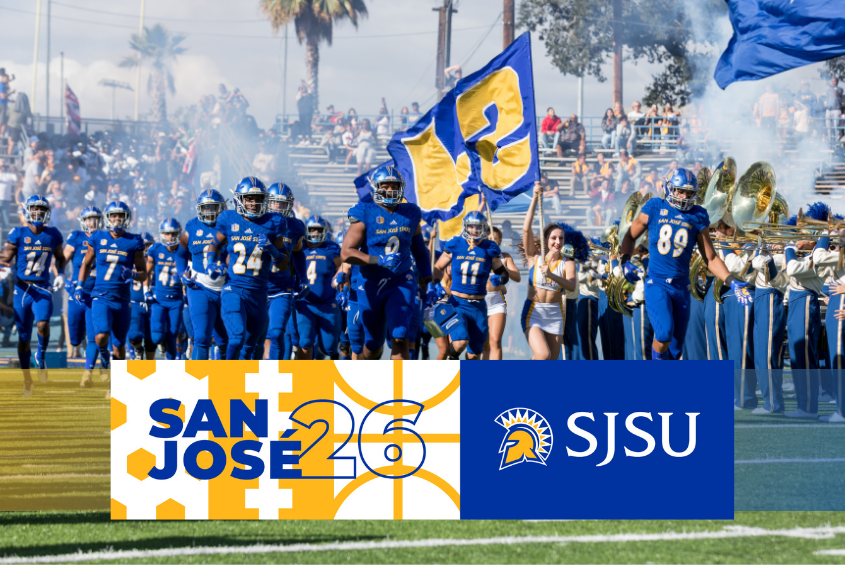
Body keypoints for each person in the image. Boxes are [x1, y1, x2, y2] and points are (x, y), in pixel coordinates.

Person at [618, 168, 751, 360]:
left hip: (681, 287)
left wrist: (733, 281)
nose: (684, 196)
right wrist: (625, 260)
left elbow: (711, 258)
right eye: (680, 191)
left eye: (689, 193)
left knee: (675, 350)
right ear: (669, 188)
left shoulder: (698, 215)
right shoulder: (655, 206)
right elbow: (630, 236)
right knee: (663, 334)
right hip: (657, 282)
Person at [341, 165, 432, 360]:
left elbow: (420, 252)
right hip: (371, 284)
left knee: (400, 335)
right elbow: (346, 253)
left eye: (394, 186)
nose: (390, 190)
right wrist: (377, 260)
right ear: (376, 187)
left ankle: (399, 387)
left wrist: (428, 279)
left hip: (401, 280)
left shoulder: (410, 213)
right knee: (373, 345)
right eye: (386, 185)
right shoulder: (365, 212)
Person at [204, 177, 289, 361]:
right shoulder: (229, 219)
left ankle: (241, 386)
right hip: (234, 288)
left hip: (259, 294)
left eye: (257, 198)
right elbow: (215, 244)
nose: (253, 203)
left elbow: (284, 263)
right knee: (236, 339)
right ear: (239, 199)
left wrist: (272, 250)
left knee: (250, 348)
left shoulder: (274, 222)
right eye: (249, 198)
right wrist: (211, 261)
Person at [76, 201, 147, 397]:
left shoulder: (134, 241)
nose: (117, 219)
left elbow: (143, 273)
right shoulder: (98, 237)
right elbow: (86, 263)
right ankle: (104, 358)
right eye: (114, 216)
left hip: (122, 300)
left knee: (119, 346)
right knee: (101, 335)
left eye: (120, 216)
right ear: (108, 218)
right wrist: (80, 286)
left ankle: (114, 386)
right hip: (100, 295)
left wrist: (132, 274)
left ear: (126, 218)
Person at [0, 196, 65, 396]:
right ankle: (27, 380)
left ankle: (41, 355)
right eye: (34, 209)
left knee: (43, 324)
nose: (38, 213)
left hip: (42, 287)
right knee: (24, 338)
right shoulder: (18, 233)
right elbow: (6, 257)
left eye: (41, 209)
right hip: (22, 289)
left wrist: (61, 273)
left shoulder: (53, 234)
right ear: (27, 211)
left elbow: (61, 258)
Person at [431, 212, 510, 360]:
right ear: (465, 227)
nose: (474, 230)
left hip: (479, 305)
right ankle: (452, 359)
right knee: (460, 342)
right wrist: (435, 284)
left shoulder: (490, 247)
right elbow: (438, 267)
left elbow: (504, 273)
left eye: (478, 226)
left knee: (475, 354)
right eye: (471, 226)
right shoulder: (455, 244)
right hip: (457, 303)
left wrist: (500, 279)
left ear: (484, 228)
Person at [519, 183, 577, 360]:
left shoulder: (567, 263)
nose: (557, 241)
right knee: (543, 354)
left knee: (551, 360)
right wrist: (535, 198)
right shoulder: (534, 258)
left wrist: (551, 274)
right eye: (553, 238)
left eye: (561, 238)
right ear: (546, 240)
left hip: (555, 314)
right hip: (533, 311)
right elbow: (526, 229)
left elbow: (571, 287)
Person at [181, 190, 229, 360]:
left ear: (221, 208)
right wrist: (182, 273)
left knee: (226, 340)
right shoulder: (191, 228)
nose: (209, 211)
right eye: (206, 207)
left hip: (226, 289)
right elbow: (180, 254)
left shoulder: (228, 226)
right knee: (202, 336)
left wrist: (227, 265)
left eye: (213, 207)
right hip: (199, 287)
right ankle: (197, 382)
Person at [263, 183, 305, 360]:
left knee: (277, 333)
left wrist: (302, 279)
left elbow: (298, 253)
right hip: (257, 286)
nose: (278, 207)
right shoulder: (259, 221)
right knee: (253, 337)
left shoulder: (295, 226)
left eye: (282, 203)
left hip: (281, 288)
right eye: (274, 203)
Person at [297, 216, 342, 359]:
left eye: (319, 229)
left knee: (329, 347)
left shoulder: (332, 248)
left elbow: (344, 265)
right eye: (312, 229)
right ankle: (302, 378)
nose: (315, 232)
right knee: (305, 341)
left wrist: (341, 279)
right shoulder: (300, 247)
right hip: (305, 304)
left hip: (327, 305)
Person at [145, 219, 189, 360]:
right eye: (167, 234)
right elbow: (147, 272)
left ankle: (171, 364)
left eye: (173, 233)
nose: (170, 237)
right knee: (157, 336)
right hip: (159, 299)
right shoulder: (156, 249)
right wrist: (146, 290)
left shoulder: (184, 250)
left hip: (176, 300)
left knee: (173, 333)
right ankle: (161, 341)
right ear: (162, 234)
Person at [64, 206, 101, 364]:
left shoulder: (106, 238)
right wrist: (61, 276)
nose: (92, 222)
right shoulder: (76, 237)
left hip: (96, 293)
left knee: (94, 337)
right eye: (88, 219)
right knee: (74, 339)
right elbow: (61, 260)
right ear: (83, 221)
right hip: (77, 293)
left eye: (95, 219)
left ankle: (88, 373)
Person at [482, 226, 521, 360]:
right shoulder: (478, 255)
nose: (491, 241)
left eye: (494, 238)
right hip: (480, 303)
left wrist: (502, 269)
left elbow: (517, 277)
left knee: (495, 341)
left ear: (500, 240)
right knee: (483, 344)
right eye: (488, 238)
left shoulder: (505, 257)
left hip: (497, 302)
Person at [127, 232, 156, 362]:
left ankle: (149, 364)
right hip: (135, 302)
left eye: (148, 245)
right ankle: (138, 349)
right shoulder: (131, 260)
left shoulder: (157, 261)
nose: (145, 249)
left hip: (153, 304)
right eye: (144, 246)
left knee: (152, 339)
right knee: (134, 335)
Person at [825, 77, 843, 146]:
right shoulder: (828, 90)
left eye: (834, 81)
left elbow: (837, 94)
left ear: (837, 82)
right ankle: (830, 142)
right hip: (829, 110)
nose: (833, 82)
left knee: (837, 127)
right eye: (832, 81)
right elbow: (827, 98)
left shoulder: (840, 89)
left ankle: (837, 143)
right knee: (829, 128)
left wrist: (830, 86)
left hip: (836, 110)